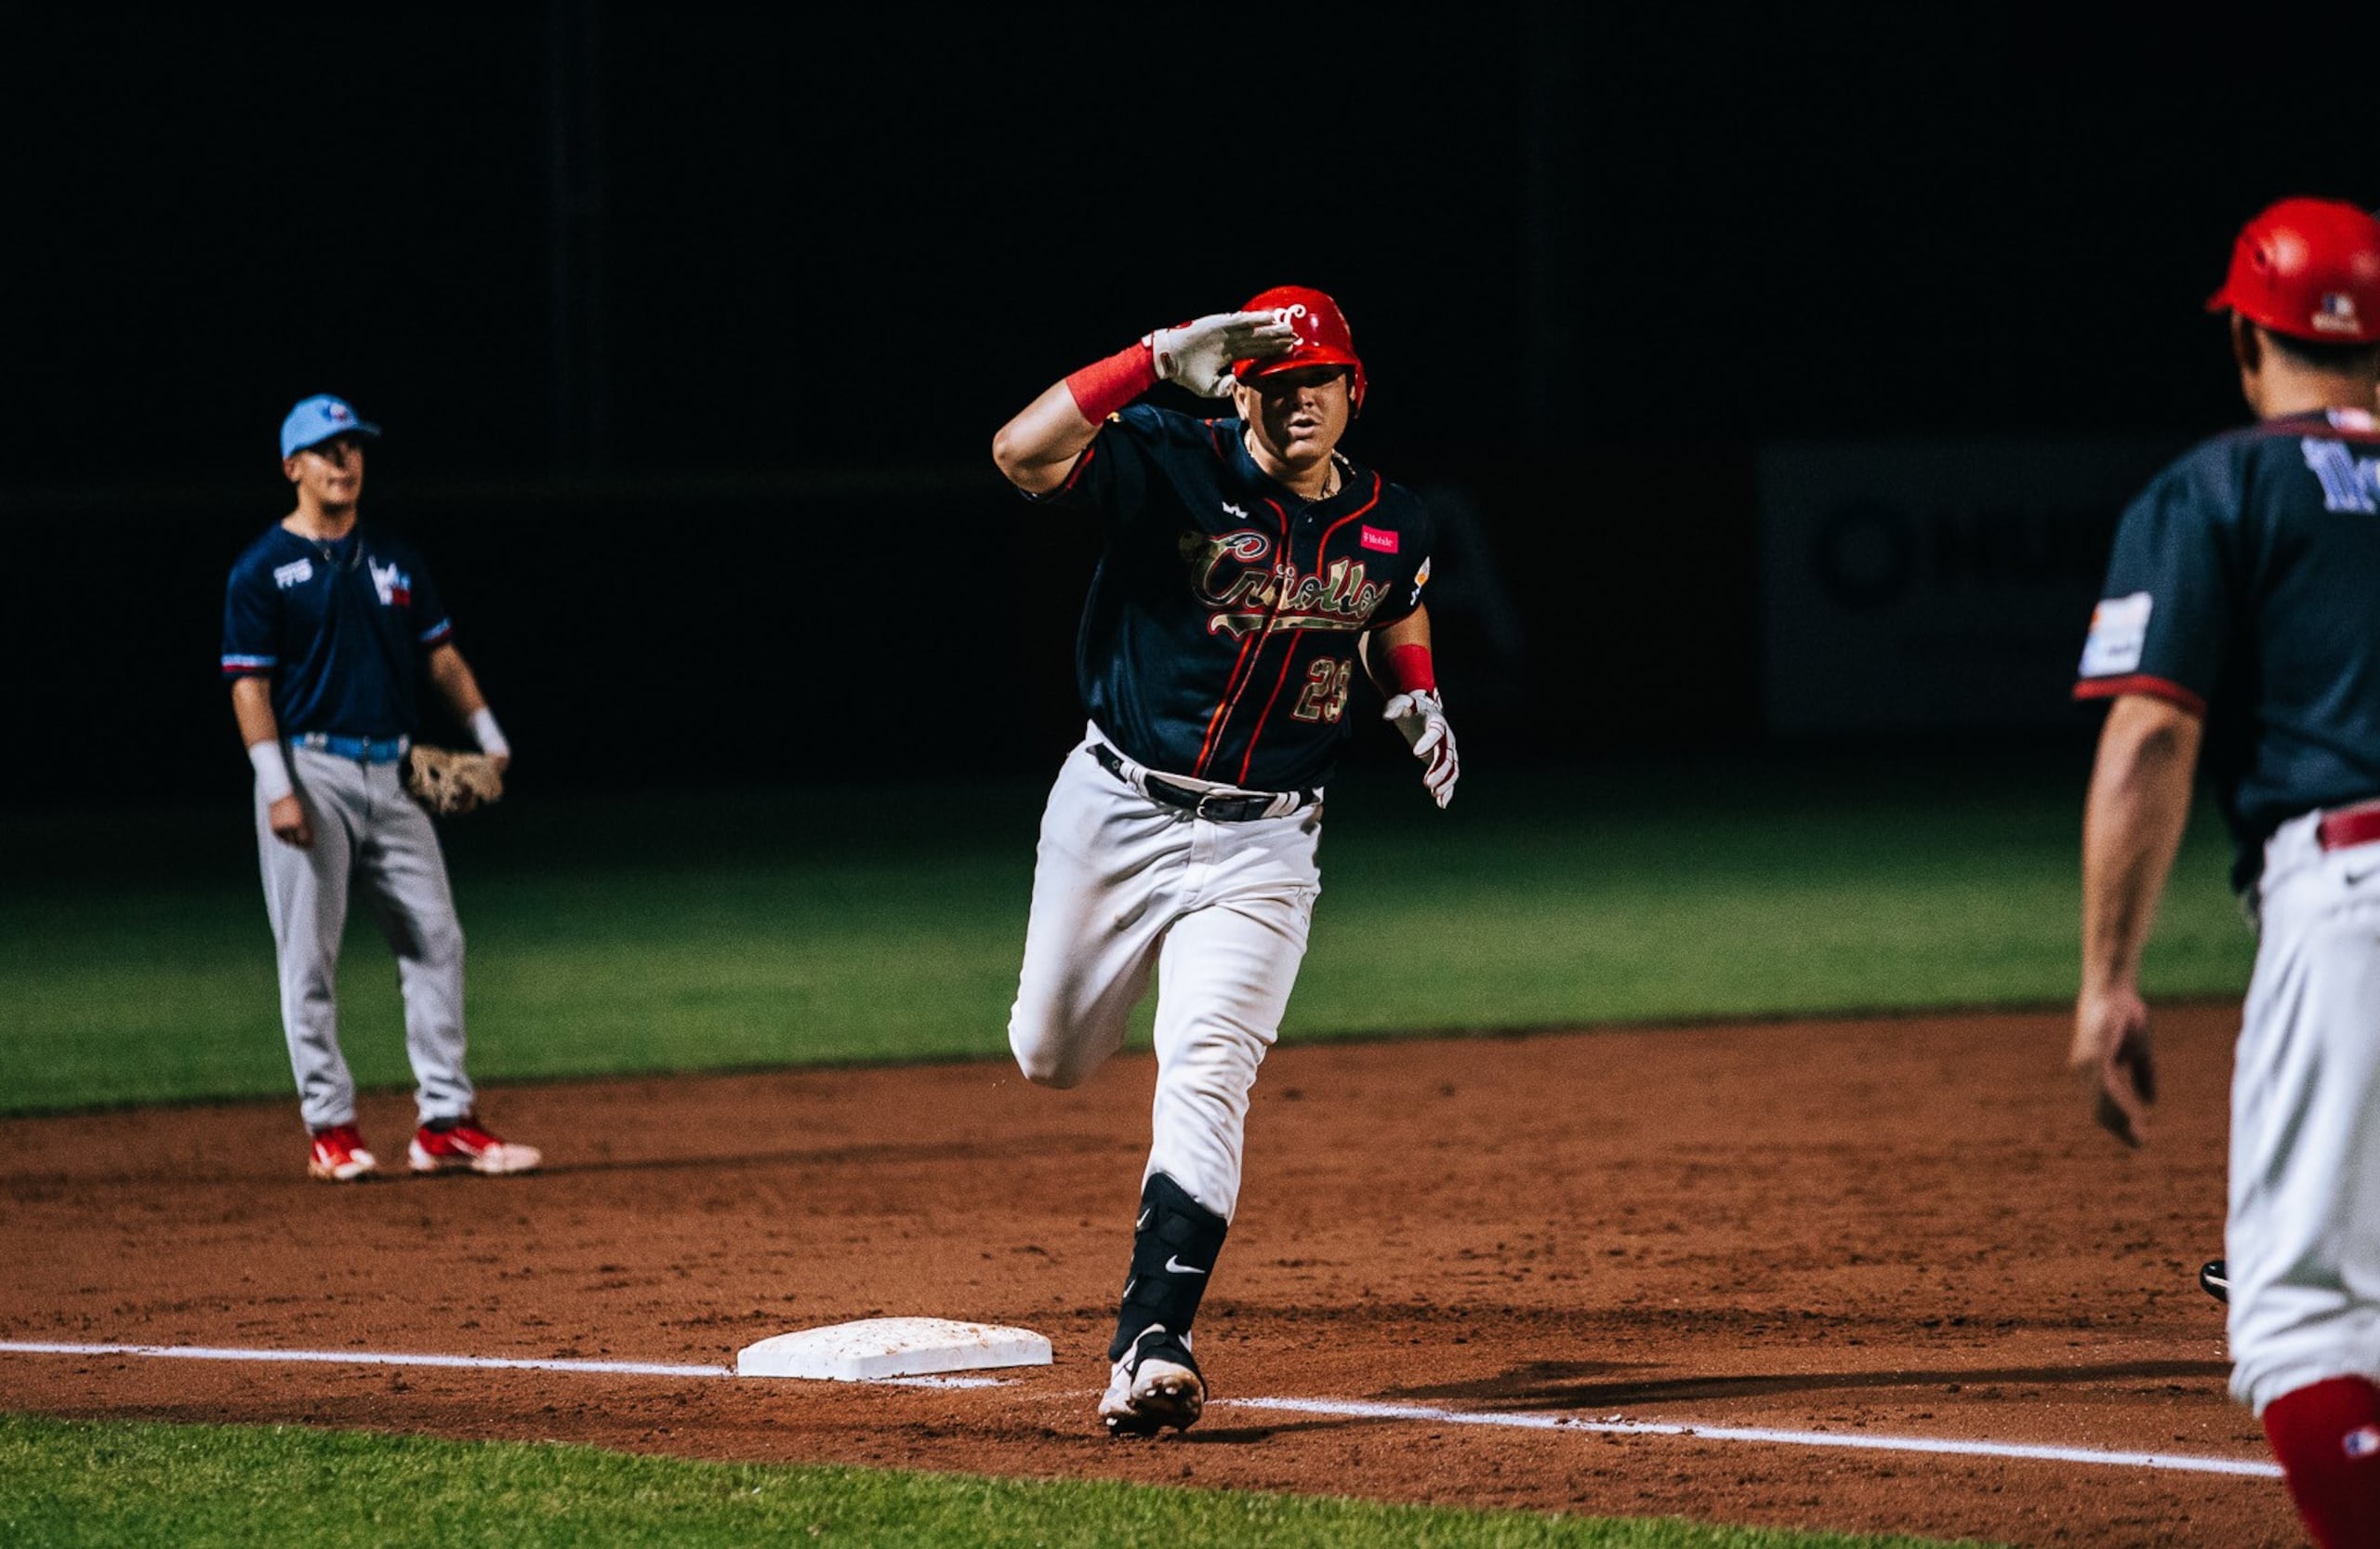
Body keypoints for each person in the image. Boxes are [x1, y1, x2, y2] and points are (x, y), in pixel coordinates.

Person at [990, 288, 1456, 1436]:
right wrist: (1151, 360)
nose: (1298, 400)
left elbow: (1391, 605)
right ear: (1238, 389)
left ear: (1354, 389)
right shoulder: (1169, 460)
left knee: (1207, 1064)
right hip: (1115, 807)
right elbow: (1018, 452)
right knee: (1049, 1053)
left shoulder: (1394, 518)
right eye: (1273, 382)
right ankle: (1088, 1031)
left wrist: (1416, 691)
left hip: (1267, 837)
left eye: (1318, 379)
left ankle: (1153, 1340)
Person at [2071, 198, 2380, 1548]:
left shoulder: (2216, 486)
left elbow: (2149, 733)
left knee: (2299, 1320)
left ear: (2249, 342)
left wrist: (2107, 978)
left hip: (2354, 896)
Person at [221, 394, 540, 1183]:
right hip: (311, 772)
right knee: (309, 960)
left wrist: (491, 738)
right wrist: (277, 787)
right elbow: (249, 686)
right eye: (327, 449)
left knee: (437, 940)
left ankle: (445, 1122)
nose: (345, 460)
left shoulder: (395, 558)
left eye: (354, 447)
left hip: (395, 774)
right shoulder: (261, 569)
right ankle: (330, 1129)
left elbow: (441, 657)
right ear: (293, 467)